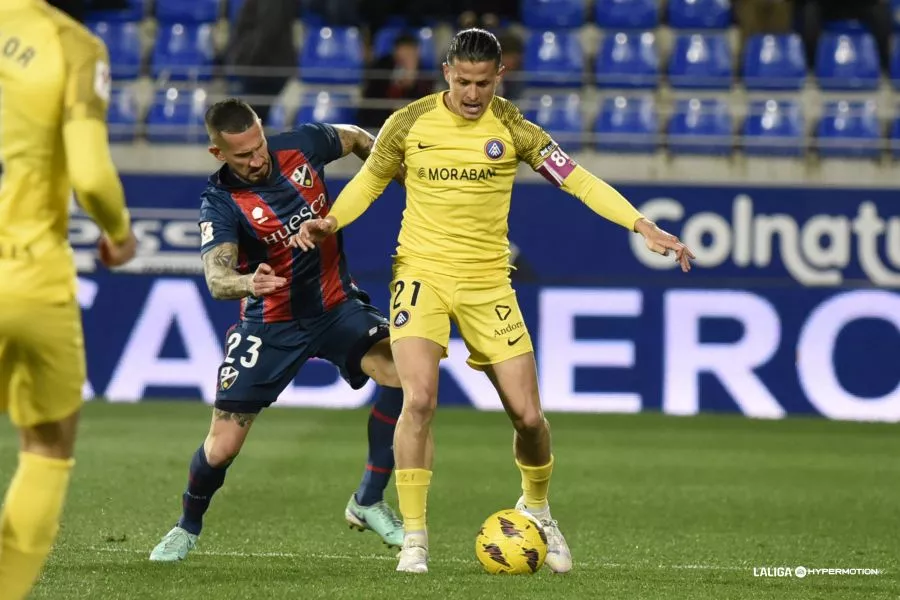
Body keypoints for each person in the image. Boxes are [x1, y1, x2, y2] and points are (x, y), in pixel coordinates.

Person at [292, 28, 695, 574]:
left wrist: (641, 223)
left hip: (488, 284)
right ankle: (415, 538)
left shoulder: (514, 127)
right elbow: (369, 181)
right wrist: (332, 220)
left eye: (483, 83)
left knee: (529, 418)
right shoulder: (409, 123)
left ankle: (538, 509)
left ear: (499, 76)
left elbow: (577, 180)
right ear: (446, 73)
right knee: (419, 400)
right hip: (421, 274)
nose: (473, 94)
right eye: (463, 81)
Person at [148, 99, 408, 562]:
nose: (256, 159)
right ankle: (186, 526)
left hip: (335, 306)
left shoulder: (301, 145)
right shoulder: (220, 203)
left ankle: (368, 499)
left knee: (407, 374)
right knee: (222, 447)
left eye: (258, 146)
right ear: (218, 154)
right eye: (242, 155)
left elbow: (356, 138)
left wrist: (402, 176)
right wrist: (249, 282)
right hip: (270, 323)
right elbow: (217, 278)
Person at [0, 2, 138, 599]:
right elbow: (90, 175)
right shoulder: (73, 46)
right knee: (46, 445)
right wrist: (120, 233)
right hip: (27, 271)